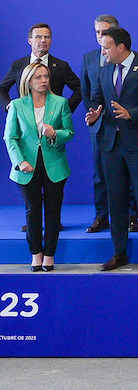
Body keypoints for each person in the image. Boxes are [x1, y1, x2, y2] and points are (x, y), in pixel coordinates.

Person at [86, 26, 138, 271]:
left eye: (107, 46)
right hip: (111, 144)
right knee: (116, 200)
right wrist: (94, 112)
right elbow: (95, 98)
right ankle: (119, 252)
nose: (103, 50)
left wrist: (132, 113)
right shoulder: (104, 70)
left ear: (121, 47)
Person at [5, 63, 73, 271]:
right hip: (27, 166)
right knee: (32, 210)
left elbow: (69, 133)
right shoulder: (17, 105)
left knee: (53, 211)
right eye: (38, 77)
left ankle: (50, 254)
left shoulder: (60, 103)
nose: (43, 81)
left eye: (46, 76)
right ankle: (36, 253)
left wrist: (55, 134)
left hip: (55, 165)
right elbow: (10, 137)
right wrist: (20, 161)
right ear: (28, 81)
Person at [80, 15, 132, 234]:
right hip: (99, 125)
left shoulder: (130, 60)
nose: (101, 37)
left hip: (125, 126)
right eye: (97, 32)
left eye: (105, 32)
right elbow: (87, 90)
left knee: (128, 171)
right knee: (99, 173)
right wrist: (93, 113)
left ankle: (132, 215)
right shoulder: (89, 58)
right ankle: (102, 216)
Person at [1, 23, 82, 112]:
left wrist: (66, 109)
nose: (43, 40)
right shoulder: (18, 65)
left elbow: (80, 88)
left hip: (52, 119)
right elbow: (2, 89)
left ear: (51, 41)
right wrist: (8, 106)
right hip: (24, 118)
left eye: (47, 37)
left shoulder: (61, 66)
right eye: (38, 37)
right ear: (30, 41)